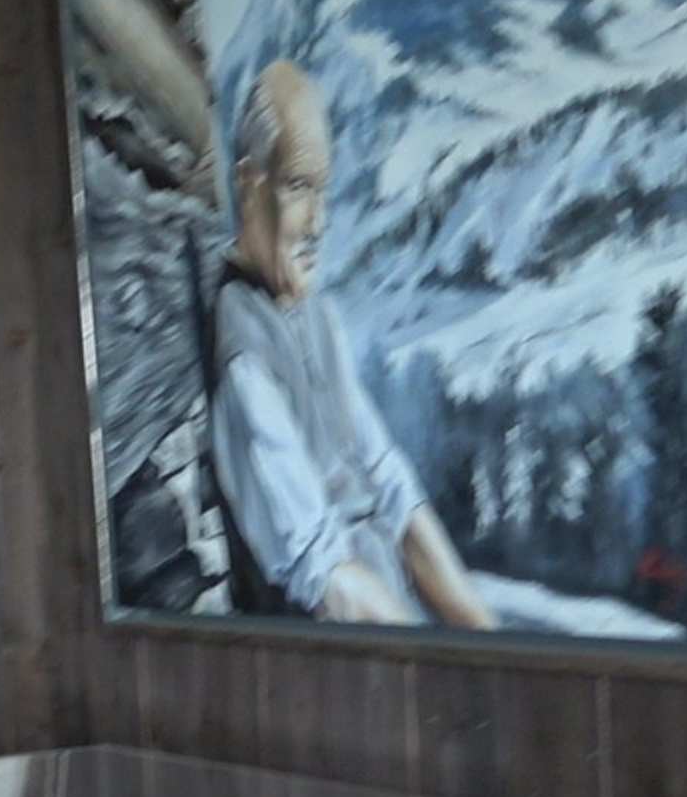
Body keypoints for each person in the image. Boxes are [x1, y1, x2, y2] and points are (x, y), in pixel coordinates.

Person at [211, 62, 498, 628]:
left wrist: (485, 638)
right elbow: (321, 573)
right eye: (298, 187)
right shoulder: (243, 350)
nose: (318, 223)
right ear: (248, 184)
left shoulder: (317, 315)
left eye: (323, 191)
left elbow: (389, 482)